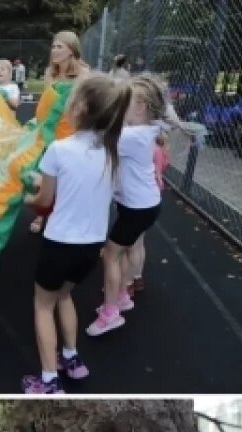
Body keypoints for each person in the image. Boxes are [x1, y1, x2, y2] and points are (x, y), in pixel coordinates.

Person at [23, 75, 132, 393]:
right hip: (91, 247)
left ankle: (48, 380)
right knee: (65, 295)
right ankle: (71, 358)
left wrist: (29, 196)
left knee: (43, 305)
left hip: (60, 244)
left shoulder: (59, 149)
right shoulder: (113, 152)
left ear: (81, 108)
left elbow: (44, 201)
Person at [89, 74, 180, 336]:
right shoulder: (146, 129)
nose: (118, 107)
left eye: (123, 102)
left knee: (110, 253)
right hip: (142, 204)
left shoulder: (133, 136)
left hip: (138, 207)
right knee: (126, 249)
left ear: (140, 107)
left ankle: (110, 313)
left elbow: (98, 139)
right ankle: (122, 299)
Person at [30, 31, 93, 235]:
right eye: (54, 46)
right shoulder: (50, 74)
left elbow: (86, 107)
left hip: (73, 133)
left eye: (60, 47)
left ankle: (64, 216)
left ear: (72, 50)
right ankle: (41, 215)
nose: (55, 50)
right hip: (49, 132)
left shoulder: (84, 75)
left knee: (68, 180)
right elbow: (48, 104)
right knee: (44, 174)